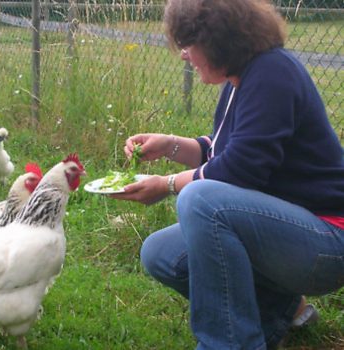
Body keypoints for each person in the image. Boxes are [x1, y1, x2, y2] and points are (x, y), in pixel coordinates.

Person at [111, 0, 344, 349]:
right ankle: (278, 310)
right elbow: (225, 150)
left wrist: (167, 185)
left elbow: (240, 169)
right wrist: (172, 145)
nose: (183, 55)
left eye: (189, 45)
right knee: (161, 253)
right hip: (289, 235)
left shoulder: (272, 73)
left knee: (200, 200)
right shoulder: (242, 79)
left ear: (219, 41)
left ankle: (227, 343)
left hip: (326, 240)